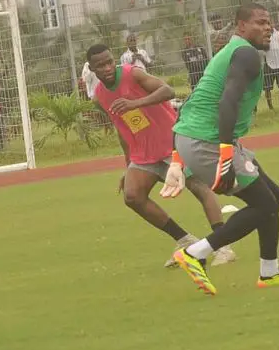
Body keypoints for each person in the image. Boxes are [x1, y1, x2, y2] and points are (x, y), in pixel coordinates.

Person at [160, 3, 279, 296]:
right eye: (260, 22)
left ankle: (270, 271)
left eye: (269, 22)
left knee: (273, 194)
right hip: (207, 141)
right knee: (264, 204)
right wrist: (226, 156)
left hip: (198, 137)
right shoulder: (244, 54)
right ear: (241, 26)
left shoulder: (232, 51)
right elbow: (227, 102)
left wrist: (178, 158)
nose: (268, 28)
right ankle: (195, 253)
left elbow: (193, 102)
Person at [86, 43, 237, 268]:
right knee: (132, 196)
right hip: (143, 154)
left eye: (109, 62)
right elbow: (121, 127)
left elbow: (168, 91)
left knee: (199, 188)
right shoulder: (99, 96)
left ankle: (223, 246)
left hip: (171, 143)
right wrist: (128, 165)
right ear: (91, 69)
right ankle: (186, 242)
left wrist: (135, 103)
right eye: (100, 65)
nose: (107, 68)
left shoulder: (132, 74)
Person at [262, 21, 279, 110]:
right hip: (269, 63)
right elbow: (265, 48)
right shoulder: (263, 34)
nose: (269, 25)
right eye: (267, 24)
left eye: (270, 23)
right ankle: (270, 107)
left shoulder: (278, 33)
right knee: (267, 88)